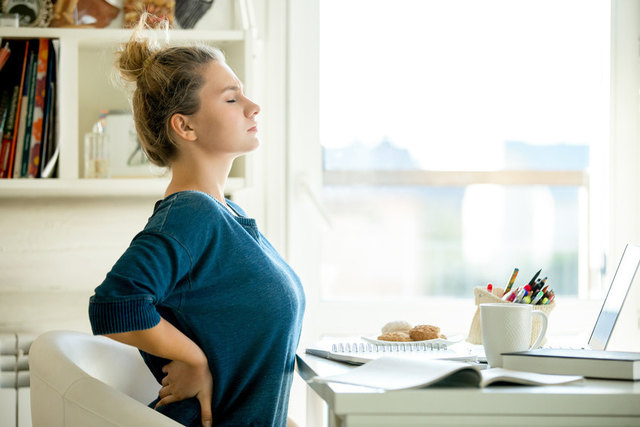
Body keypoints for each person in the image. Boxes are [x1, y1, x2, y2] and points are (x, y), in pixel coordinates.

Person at [88, 14, 305, 427]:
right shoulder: (192, 214)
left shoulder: (229, 215)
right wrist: (192, 357)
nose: (253, 106)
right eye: (231, 98)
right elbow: (114, 304)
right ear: (184, 126)